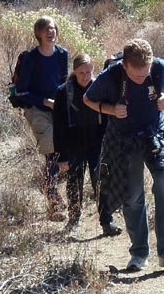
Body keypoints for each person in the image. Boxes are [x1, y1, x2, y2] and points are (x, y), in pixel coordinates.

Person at [83, 39, 164, 271]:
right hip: (125, 141)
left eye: (145, 74)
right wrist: (110, 110)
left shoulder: (158, 67)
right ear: (125, 66)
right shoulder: (111, 76)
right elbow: (87, 99)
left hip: (156, 135)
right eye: (136, 76)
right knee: (133, 196)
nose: (142, 79)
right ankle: (139, 253)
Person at [52, 53, 123, 236]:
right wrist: (61, 156)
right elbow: (58, 126)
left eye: (89, 71)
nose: (85, 76)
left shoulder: (99, 87)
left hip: (97, 141)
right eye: (81, 72)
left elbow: (108, 117)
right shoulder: (63, 92)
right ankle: (74, 219)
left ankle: (107, 222)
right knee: (74, 183)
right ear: (74, 72)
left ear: (93, 69)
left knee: (100, 181)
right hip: (73, 143)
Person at [15, 15, 69, 221]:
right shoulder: (31, 58)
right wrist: (44, 102)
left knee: (62, 153)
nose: (51, 32)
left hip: (58, 109)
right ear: (38, 33)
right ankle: (53, 200)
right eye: (46, 29)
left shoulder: (62, 54)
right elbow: (21, 92)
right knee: (52, 150)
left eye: (53, 28)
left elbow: (64, 82)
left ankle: (57, 195)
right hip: (36, 110)